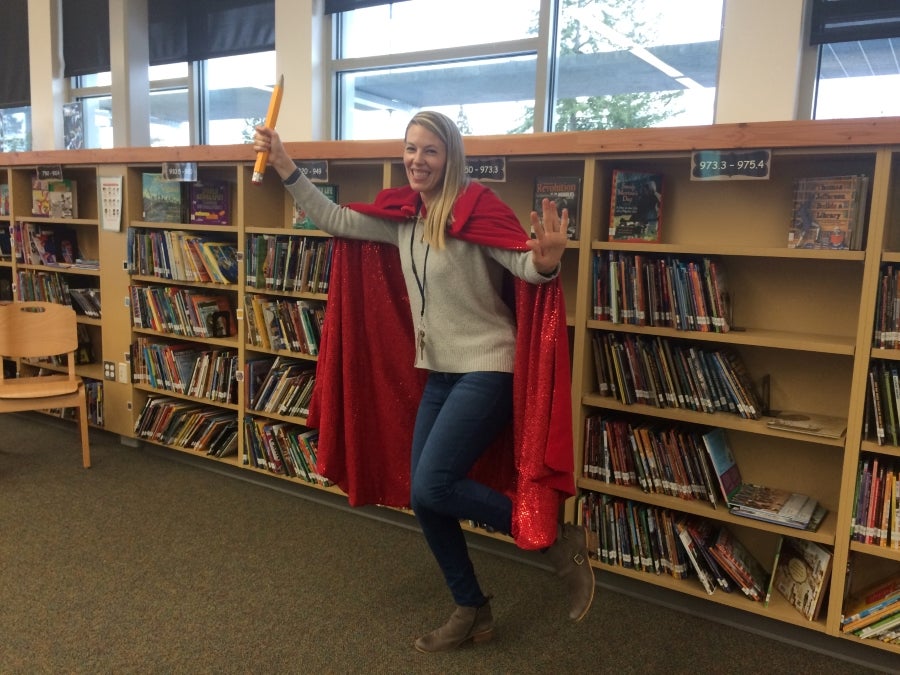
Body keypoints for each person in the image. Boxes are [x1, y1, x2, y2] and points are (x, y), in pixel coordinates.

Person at [253, 111, 594, 652]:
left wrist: (547, 264)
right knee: (427, 497)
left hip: (488, 366)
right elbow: (335, 219)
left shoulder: (478, 209)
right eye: (411, 149)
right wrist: (285, 163)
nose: (417, 160)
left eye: (429, 151)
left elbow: (523, 265)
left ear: (450, 156)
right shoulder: (403, 217)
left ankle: (553, 539)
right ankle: (473, 610)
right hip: (439, 374)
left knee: (432, 485)